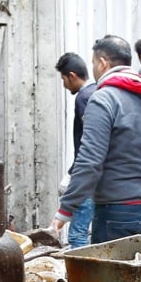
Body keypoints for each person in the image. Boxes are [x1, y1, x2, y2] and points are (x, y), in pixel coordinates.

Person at [52, 35, 141, 244]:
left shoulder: (104, 98)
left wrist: (65, 209)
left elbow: (90, 161)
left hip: (118, 214)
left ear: (102, 63)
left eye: (93, 63)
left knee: (114, 277)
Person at [56, 52, 97, 248]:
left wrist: (74, 174)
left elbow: (87, 144)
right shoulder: (98, 92)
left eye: (64, 79)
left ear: (72, 76)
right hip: (98, 178)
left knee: (78, 235)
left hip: (87, 178)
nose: (64, 84)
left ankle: (81, 277)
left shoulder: (84, 98)